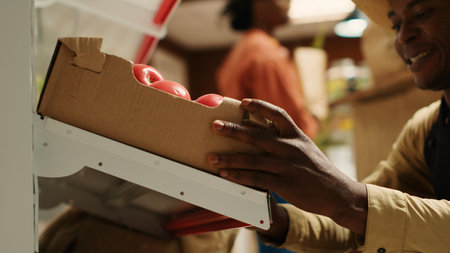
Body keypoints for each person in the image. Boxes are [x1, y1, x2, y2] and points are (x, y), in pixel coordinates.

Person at [207, 0, 450, 252]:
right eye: (396, 24)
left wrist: (345, 198)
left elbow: (363, 212)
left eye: (421, 14)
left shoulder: (238, 55)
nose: (401, 37)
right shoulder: (425, 129)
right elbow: (361, 220)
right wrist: (275, 220)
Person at [216, 0, 319, 139]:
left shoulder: (240, 51)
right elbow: (289, 124)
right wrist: (312, 124)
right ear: (259, 3)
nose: (288, 2)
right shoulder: (265, 52)